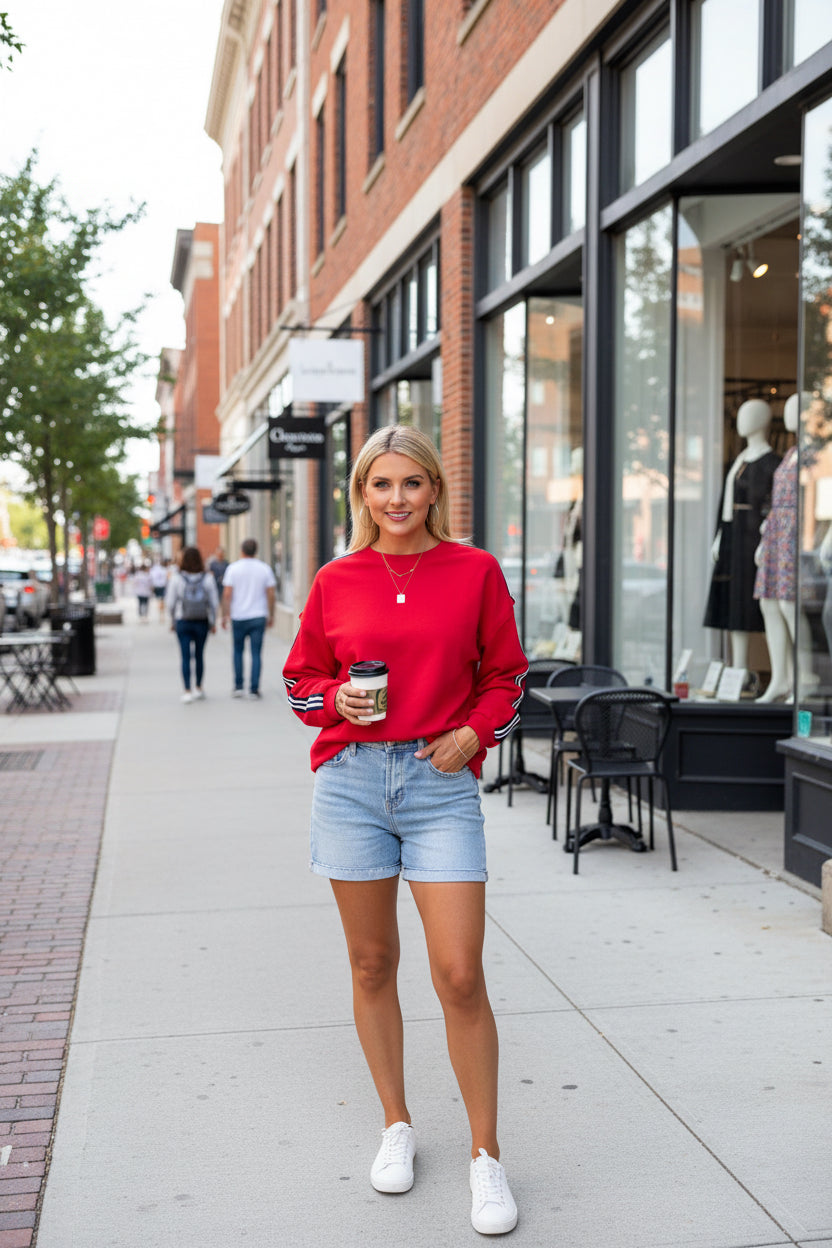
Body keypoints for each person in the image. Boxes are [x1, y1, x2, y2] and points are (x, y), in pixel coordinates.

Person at [282, 425, 527, 1236]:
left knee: (459, 974)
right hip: (351, 783)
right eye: (380, 485)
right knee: (371, 961)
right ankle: (397, 1123)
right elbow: (300, 679)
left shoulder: (475, 571)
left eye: (411, 484)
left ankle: (486, 1160)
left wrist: (475, 734)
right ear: (362, 494)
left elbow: (507, 677)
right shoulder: (336, 579)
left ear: (434, 490)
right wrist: (334, 701)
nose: (396, 500)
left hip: (439, 784)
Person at [703, 399, 781, 679]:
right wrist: (719, 536)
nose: (741, 420)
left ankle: (774, 671)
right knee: (734, 601)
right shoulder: (738, 459)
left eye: (750, 414)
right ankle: (739, 668)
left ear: (763, 420)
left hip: (753, 540)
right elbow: (725, 502)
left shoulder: (773, 463)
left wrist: (765, 540)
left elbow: (772, 507)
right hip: (733, 537)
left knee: (753, 603)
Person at [221, 538, 276, 699]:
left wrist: (225, 615)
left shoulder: (233, 568)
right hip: (258, 616)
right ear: (255, 550)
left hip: (238, 616)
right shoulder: (264, 569)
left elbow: (227, 594)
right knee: (256, 653)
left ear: (242, 550)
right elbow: (271, 594)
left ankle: (238, 686)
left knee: (238, 651)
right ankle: (254, 689)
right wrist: (271, 614)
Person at [165, 546, 219, 703]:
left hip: (183, 620)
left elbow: (170, 602)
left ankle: (187, 690)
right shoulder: (207, 578)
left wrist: (172, 620)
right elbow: (214, 603)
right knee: (200, 655)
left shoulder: (177, 578)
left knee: (185, 656)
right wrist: (213, 621)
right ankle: (199, 688)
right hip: (201, 621)